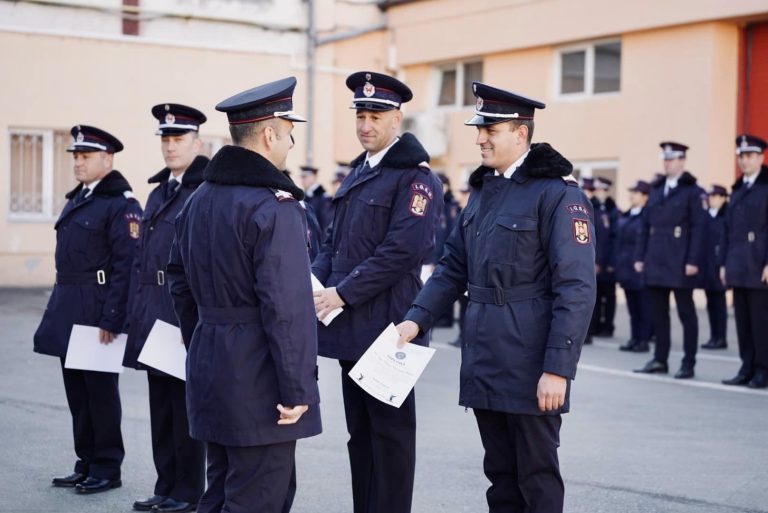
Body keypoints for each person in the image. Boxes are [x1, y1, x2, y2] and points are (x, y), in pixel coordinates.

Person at [396, 81, 596, 513]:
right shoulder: (484, 193)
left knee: (537, 479)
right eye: (479, 127)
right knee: (500, 478)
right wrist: (416, 319)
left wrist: (558, 369)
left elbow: (576, 287)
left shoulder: (558, 195)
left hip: (530, 361)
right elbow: (452, 266)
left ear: (521, 134)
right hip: (486, 354)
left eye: (491, 128)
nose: (480, 136)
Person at [167, 77, 322, 513]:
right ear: (270, 132)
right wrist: (297, 389)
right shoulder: (273, 206)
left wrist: (203, 333)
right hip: (260, 377)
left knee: (217, 492)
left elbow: (178, 279)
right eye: (288, 129)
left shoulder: (199, 200)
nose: (291, 140)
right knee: (258, 497)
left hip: (212, 359)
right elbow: (286, 308)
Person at [311, 71, 442, 513]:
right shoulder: (359, 172)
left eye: (376, 115)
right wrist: (315, 285)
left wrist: (342, 293)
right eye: (361, 115)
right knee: (360, 433)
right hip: (351, 326)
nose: (366, 124)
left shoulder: (416, 179)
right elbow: (333, 242)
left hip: (389, 327)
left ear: (397, 119)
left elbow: (401, 251)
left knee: (390, 435)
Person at [34, 125, 142, 494]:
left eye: (86, 157)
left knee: (99, 393)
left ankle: (107, 466)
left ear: (107, 159)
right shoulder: (79, 198)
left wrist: (113, 317)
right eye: (76, 157)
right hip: (69, 305)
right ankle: (86, 460)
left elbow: (127, 265)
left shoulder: (121, 205)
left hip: (97, 310)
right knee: (77, 392)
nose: (78, 163)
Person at [122, 104, 209, 513]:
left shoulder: (202, 191)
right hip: (154, 310)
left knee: (184, 407)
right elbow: (143, 258)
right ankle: (165, 485)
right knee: (160, 405)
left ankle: (188, 492)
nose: (171, 147)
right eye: (166, 139)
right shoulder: (160, 192)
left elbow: (202, 260)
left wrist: (191, 316)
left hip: (182, 312)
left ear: (198, 143)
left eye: (179, 139)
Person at [634, 142, 707, 379]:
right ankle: (660, 359)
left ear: (682, 161)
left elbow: (699, 229)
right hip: (656, 258)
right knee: (659, 314)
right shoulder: (656, 189)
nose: (667, 162)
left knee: (686, 315)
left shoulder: (692, 191)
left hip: (680, 260)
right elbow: (644, 226)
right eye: (665, 158)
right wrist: (640, 256)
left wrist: (693, 260)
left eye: (672, 158)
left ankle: (688, 363)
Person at [721, 134, 768, 388]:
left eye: (750, 156)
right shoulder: (738, 189)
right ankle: (747, 366)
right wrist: (723, 263)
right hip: (739, 263)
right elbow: (728, 230)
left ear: (761, 157)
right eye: (742, 156)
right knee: (743, 321)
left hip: (759, 262)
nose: (745, 161)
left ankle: (763, 368)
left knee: (761, 321)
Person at [616, 180, 652, 352]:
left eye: (636, 193)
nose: (632, 195)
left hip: (640, 269)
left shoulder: (648, 216)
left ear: (645, 196)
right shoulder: (627, 214)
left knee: (644, 307)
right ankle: (634, 338)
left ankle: (643, 340)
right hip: (626, 267)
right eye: (631, 192)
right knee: (632, 307)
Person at [426, 172, 461, 328]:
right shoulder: (433, 202)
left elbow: (447, 233)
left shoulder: (450, 205)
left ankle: (444, 319)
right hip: (431, 254)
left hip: (445, 252)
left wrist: (437, 258)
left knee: (443, 287)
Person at [700, 185, 729, 350]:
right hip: (707, 266)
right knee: (711, 303)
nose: (712, 199)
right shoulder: (707, 216)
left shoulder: (725, 216)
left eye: (716, 196)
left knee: (719, 304)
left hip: (718, 265)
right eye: (710, 196)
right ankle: (713, 336)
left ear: (723, 198)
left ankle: (721, 337)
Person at [590, 177, 619, 338]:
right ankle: (594, 326)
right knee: (596, 295)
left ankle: (607, 326)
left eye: (604, 190)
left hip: (608, 261)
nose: (601, 193)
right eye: (599, 189)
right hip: (595, 259)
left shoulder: (612, 209)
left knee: (609, 296)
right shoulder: (591, 207)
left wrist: (611, 261)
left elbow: (614, 238)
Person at [301, 165, 333, 233]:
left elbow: (325, 222)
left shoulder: (322, 197)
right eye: (302, 177)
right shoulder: (306, 195)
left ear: (313, 177)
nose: (303, 180)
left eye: (305, 177)